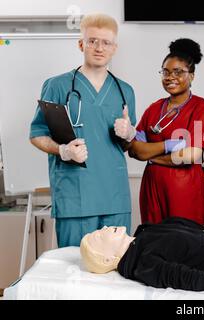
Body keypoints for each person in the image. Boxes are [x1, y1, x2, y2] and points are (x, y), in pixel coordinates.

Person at [29, 14, 137, 247]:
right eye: (93, 41)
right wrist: (63, 150)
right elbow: (36, 134)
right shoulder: (57, 86)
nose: (99, 48)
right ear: (81, 44)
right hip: (76, 196)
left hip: (114, 199)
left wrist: (129, 134)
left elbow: (127, 146)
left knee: (114, 271)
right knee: (73, 271)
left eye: (106, 42)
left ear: (114, 48)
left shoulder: (124, 91)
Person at [125, 38, 204, 225]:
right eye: (165, 71)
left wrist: (151, 156)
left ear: (192, 76)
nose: (170, 77)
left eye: (178, 72)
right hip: (152, 191)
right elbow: (134, 150)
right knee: (154, 244)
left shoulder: (200, 107)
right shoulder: (153, 109)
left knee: (184, 246)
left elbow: (190, 156)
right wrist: (167, 146)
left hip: (185, 192)